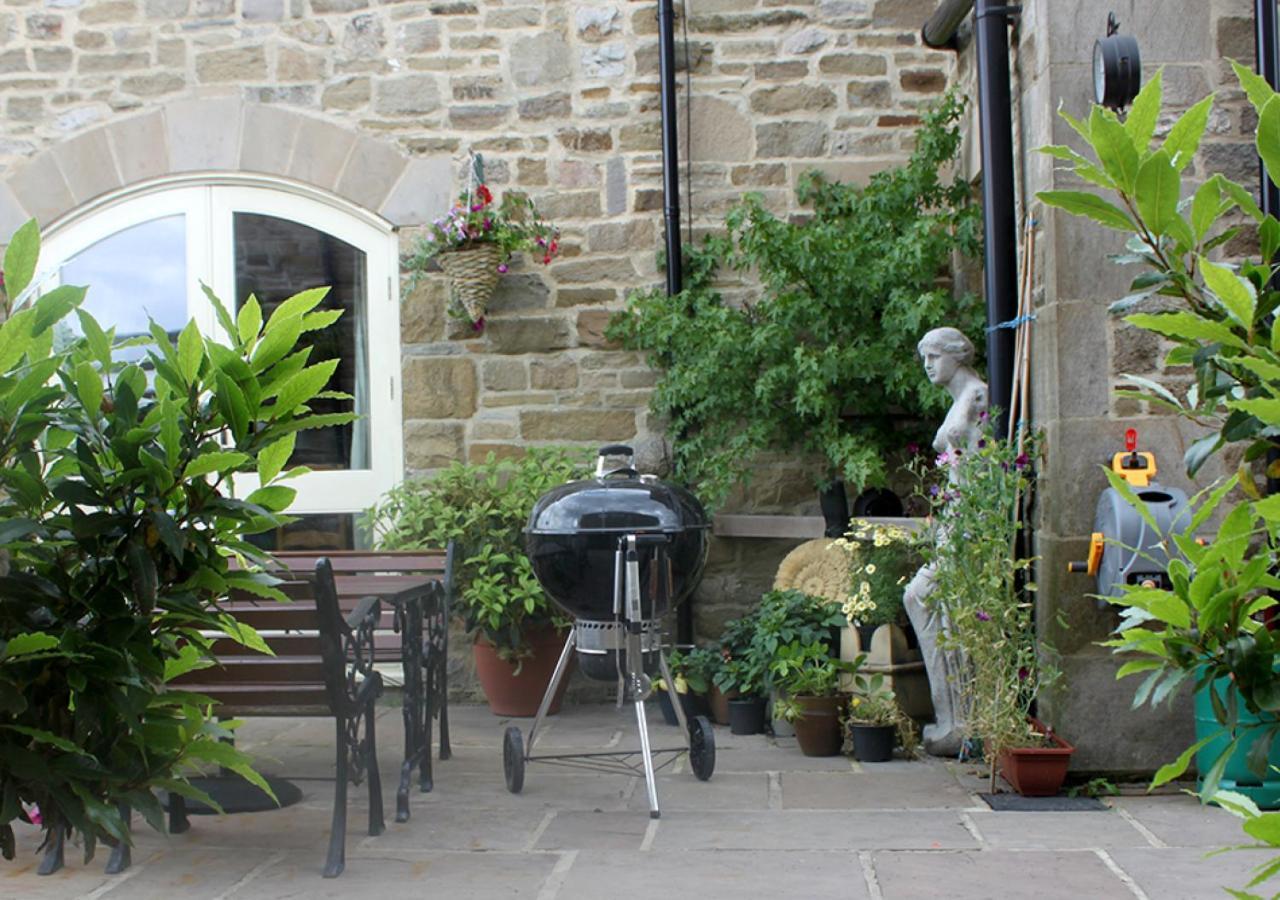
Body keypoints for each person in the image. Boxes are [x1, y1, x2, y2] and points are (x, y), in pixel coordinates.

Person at [903, 327, 987, 756]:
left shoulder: (978, 396)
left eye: (935, 355)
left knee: (931, 600)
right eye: (925, 358)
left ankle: (963, 720)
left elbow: (989, 464)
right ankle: (953, 718)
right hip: (956, 521)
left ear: (956, 355)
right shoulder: (961, 399)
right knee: (931, 603)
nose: (928, 365)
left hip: (971, 524)